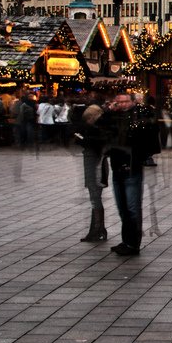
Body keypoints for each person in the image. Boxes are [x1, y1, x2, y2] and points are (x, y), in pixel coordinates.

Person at [100, 92, 161, 256]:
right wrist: (108, 110)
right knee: (122, 207)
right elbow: (100, 126)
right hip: (117, 166)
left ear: (133, 102)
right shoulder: (114, 117)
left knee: (132, 207)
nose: (122, 104)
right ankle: (126, 240)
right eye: (119, 102)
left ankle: (133, 244)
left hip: (132, 167)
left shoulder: (140, 116)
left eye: (125, 101)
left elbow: (149, 130)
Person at [74, 95, 108, 242]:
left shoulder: (96, 131)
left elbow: (94, 145)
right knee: (95, 197)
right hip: (96, 164)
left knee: (95, 197)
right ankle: (99, 229)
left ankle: (97, 229)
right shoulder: (97, 130)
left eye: (88, 119)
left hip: (95, 165)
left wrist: (82, 139)